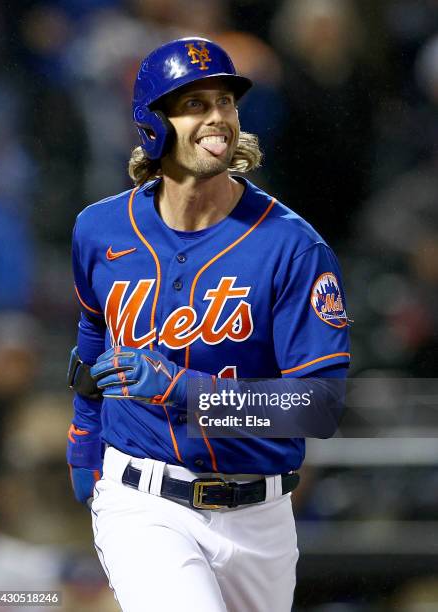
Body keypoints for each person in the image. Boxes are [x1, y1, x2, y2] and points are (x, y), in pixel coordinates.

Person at [66, 37, 350, 612]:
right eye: (194, 104)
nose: (217, 116)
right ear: (153, 123)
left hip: (261, 516)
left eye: (224, 100)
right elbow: (93, 343)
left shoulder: (291, 247)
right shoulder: (100, 231)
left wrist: (184, 392)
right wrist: (82, 443)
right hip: (144, 501)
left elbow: (317, 406)